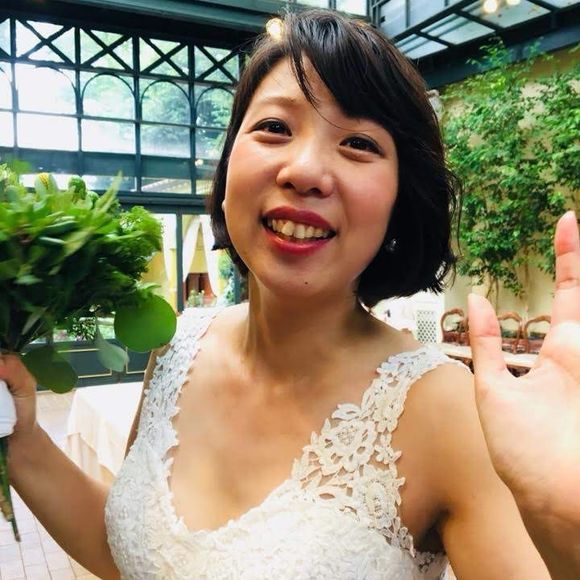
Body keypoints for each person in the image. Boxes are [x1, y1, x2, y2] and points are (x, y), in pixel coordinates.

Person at [1, 9, 579, 580]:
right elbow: (132, 556)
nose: (304, 170)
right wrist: (22, 438)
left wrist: (562, 524)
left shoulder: (444, 410)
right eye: (276, 128)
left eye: (358, 142)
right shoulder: (177, 346)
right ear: (229, 164)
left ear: (400, 201)